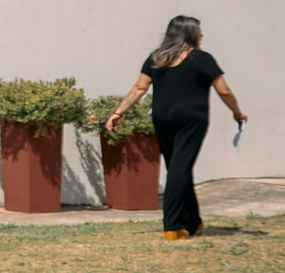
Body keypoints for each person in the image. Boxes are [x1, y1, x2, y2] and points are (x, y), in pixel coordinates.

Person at [104, 15, 246, 240]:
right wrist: (237, 112)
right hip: (192, 120)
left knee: (178, 167)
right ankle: (172, 225)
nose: (201, 35)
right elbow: (224, 90)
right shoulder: (203, 59)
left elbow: (139, 88)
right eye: (198, 31)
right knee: (180, 168)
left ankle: (192, 220)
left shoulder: (156, 58)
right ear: (190, 34)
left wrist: (118, 112)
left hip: (163, 119)